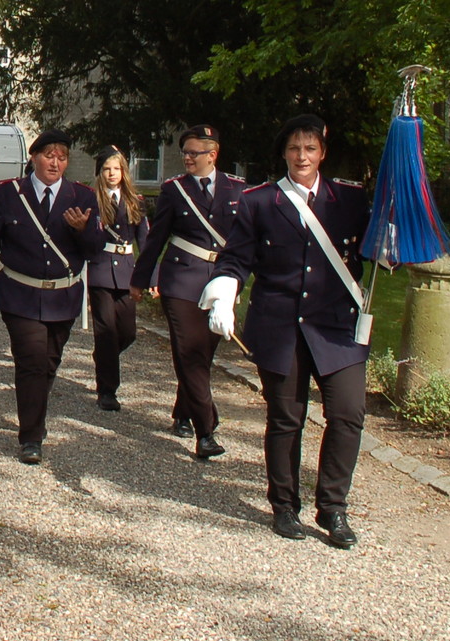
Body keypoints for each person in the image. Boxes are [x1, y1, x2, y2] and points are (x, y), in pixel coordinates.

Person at [203, 114, 371, 548]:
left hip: (337, 329)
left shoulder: (349, 200)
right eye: (295, 149)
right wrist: (225, 290)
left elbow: (376, 245)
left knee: (349, 414)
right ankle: (284, 505)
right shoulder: (260, 201)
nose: (302, 156)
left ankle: (333, 507)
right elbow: (236, 257)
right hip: (280, 327)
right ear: (284, 153)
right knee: (286, 419)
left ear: (322, 154)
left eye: (310, 149)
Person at [0, 130, 103, 465]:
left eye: (62, 157)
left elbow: (94, 250)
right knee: (32, 361)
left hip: (63, 296)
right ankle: (31, 436)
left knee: (49, 361)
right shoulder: (11, 193)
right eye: (49, 155)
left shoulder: (82, 196)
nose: (55, 162)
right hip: (20, 293)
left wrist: (83, 230)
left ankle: (34, 411)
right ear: (33, 158)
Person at [134, 123, 244, 457]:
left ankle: (183, 411)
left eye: (194, 153)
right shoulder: (174, 190)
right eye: (185, 153)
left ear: (213, 154)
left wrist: (241, 282)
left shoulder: (237, 189)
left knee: (202, 356)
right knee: (189, 352)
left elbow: (244, 242)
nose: (187, 159)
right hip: (181, 279)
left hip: (221, 282)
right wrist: (140, 280)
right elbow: (156, 239)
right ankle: (206, 430)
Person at [86, 147, 147, 412]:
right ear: (100, 173)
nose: (112, 174)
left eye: (117, 169)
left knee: (127, 332)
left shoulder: (135, 200)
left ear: (124, 172)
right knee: (106, 330)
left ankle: (104, 357)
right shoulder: (91, 200)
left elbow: (146, 240)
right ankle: (107, 390)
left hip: (126, 270)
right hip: (100, 269)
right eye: (107, 169)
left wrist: (150, 275)